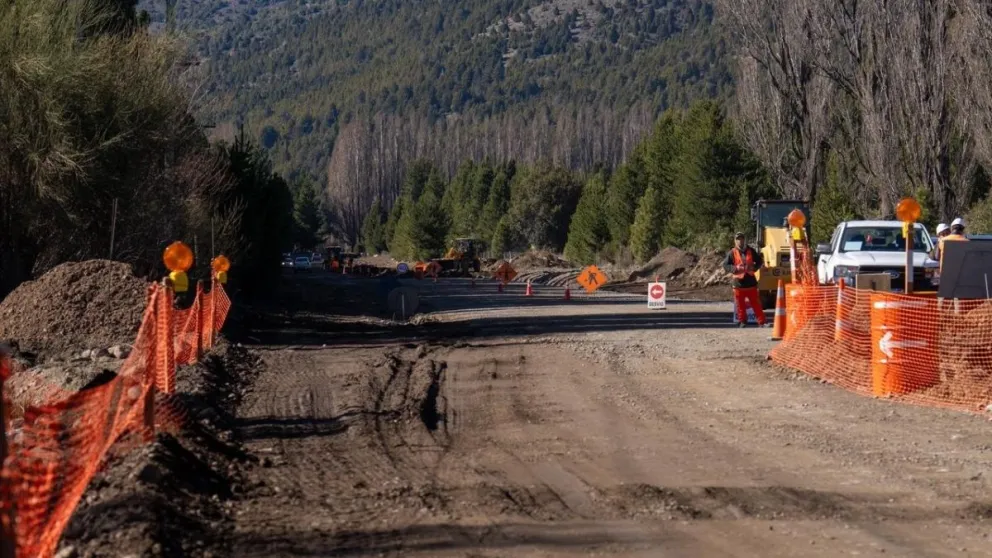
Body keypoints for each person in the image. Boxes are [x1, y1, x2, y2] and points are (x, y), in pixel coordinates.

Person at [724, 232, 768, 328]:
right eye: (738, 239)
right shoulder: (732, 252)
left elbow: (759, 261)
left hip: (751, 282)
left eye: (741, 239)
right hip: (738, 284)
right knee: (740, 305)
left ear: (744, 240)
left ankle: (762, 322)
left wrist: (755, 268)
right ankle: (742, 321)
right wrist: (734, 269)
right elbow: (725, 265)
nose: (740, 241)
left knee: (756, 303)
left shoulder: (751, 250)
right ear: (735, 241)